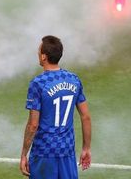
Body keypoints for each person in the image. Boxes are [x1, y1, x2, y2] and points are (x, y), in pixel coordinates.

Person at [20, 35, 91, 178]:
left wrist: (23, 154)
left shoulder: (38, 83)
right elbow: (86, 117)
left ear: (44, 57)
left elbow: (33, 125)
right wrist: (86, 148)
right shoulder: (74, 79)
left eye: (39, 52)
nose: (38, 54)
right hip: (67, 151)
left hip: (43, 153)